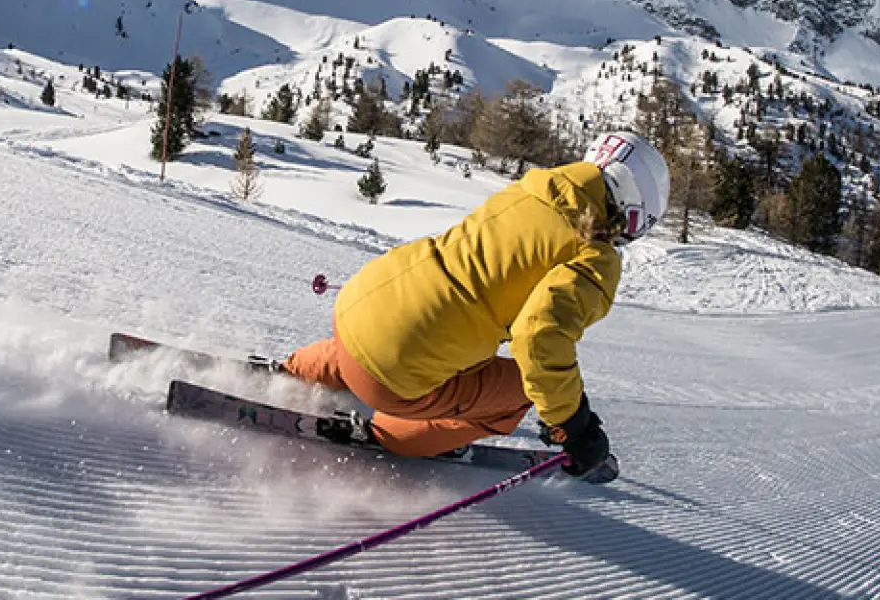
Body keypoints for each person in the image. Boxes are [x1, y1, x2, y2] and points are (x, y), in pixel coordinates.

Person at [283, 131, 670, 480]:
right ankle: (395, 435)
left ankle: (292, 369)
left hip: (361, 301)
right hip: (395, 369)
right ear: (634, 212)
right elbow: (540, 339)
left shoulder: (531, 190)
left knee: (397, 331)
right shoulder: (594, 256)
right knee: (518, 392)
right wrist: (572, 423)